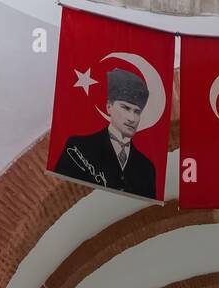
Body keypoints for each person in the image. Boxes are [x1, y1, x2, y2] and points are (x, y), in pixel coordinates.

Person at [52, 68, 158, 199]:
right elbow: (58, 198)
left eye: (137, 112)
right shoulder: (78, 147)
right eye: (125, 108)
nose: (132, 118)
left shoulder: (146, 168)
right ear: (109, 107)